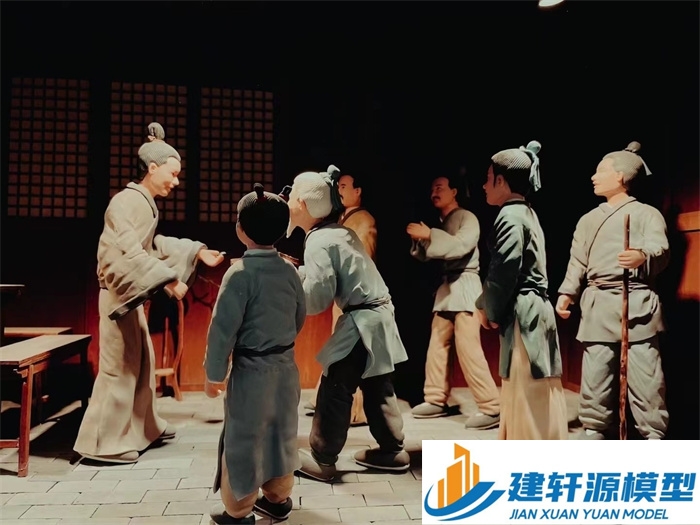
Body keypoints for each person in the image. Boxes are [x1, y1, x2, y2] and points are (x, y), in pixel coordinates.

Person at [74, 122, 224, 464]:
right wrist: (169, 280)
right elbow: (127, 253)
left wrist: (197, 251)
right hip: (118, 297)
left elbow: (152, 245)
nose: (176, 181)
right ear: (152, 168)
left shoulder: (142, 203)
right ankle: (103, 443)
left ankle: (145, 427)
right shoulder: (126, 203)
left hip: (129, 297)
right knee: (119, 367)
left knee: (142, 362)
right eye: (173, 174)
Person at [287, 165, 410, 481]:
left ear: (303, 203)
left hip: (362, 320)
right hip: (379, 313)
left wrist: (291, 280)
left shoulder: (319, 240)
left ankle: (322, 457)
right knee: (377, 383)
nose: (287, 200)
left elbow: (316, 299)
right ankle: (392, 449)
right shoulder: (338, 232)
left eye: (292, 195)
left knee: (336, 386)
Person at [204, 183, 306, 524]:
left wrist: (214, 374)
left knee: (245, 437)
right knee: (282, 432)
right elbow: (299, 316)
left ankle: (239, 508)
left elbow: (222, 331)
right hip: (285, 367)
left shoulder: (239, 274)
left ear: (241, 229)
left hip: (251, 371)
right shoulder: (290, 270)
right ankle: (278, 498)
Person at [556, 141, 669, 440]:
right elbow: (578, 260)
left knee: (646, 374)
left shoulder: (647, 214)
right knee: (596, 371)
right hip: (598, 302)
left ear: (620, 176)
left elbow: (661, 249)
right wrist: (567, 293)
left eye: (600, 171)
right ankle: (594, 426)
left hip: (636, 301)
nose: (593, 177)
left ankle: (652, 431)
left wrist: (643, 256)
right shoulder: (587, 220)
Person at [475, 140, 568, 440]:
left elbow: (503, 271)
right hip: (536, 307)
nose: (484, 186)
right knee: (537, 388)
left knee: (526, 390)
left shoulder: (510, 216)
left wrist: (487, 308)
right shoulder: (527, 213)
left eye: (489, 178)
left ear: (501, 181)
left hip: (525, 311)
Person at [407, 176, 501, 430]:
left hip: (465, 285)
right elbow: (427, 255)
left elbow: (461, 245)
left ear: (455, 191)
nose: (434, 192)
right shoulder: (443, 221)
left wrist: (429, 234)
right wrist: (422, 239)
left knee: (468, 347)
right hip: (448, 288)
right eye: (432, 189)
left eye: (440, 188)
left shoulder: (467, 218)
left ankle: (491, 406)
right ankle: (435, 397)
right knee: (437, 345)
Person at [304, 172, 378, 426]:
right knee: (340, 346)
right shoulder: (343, 219)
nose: (340, 191)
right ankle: (324, 397)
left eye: (345, 186)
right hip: (343, 293)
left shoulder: (364, 220)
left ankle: (355, 409)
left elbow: (362, 259)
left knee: (350, 350)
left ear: (358, 191)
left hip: (355, 295)